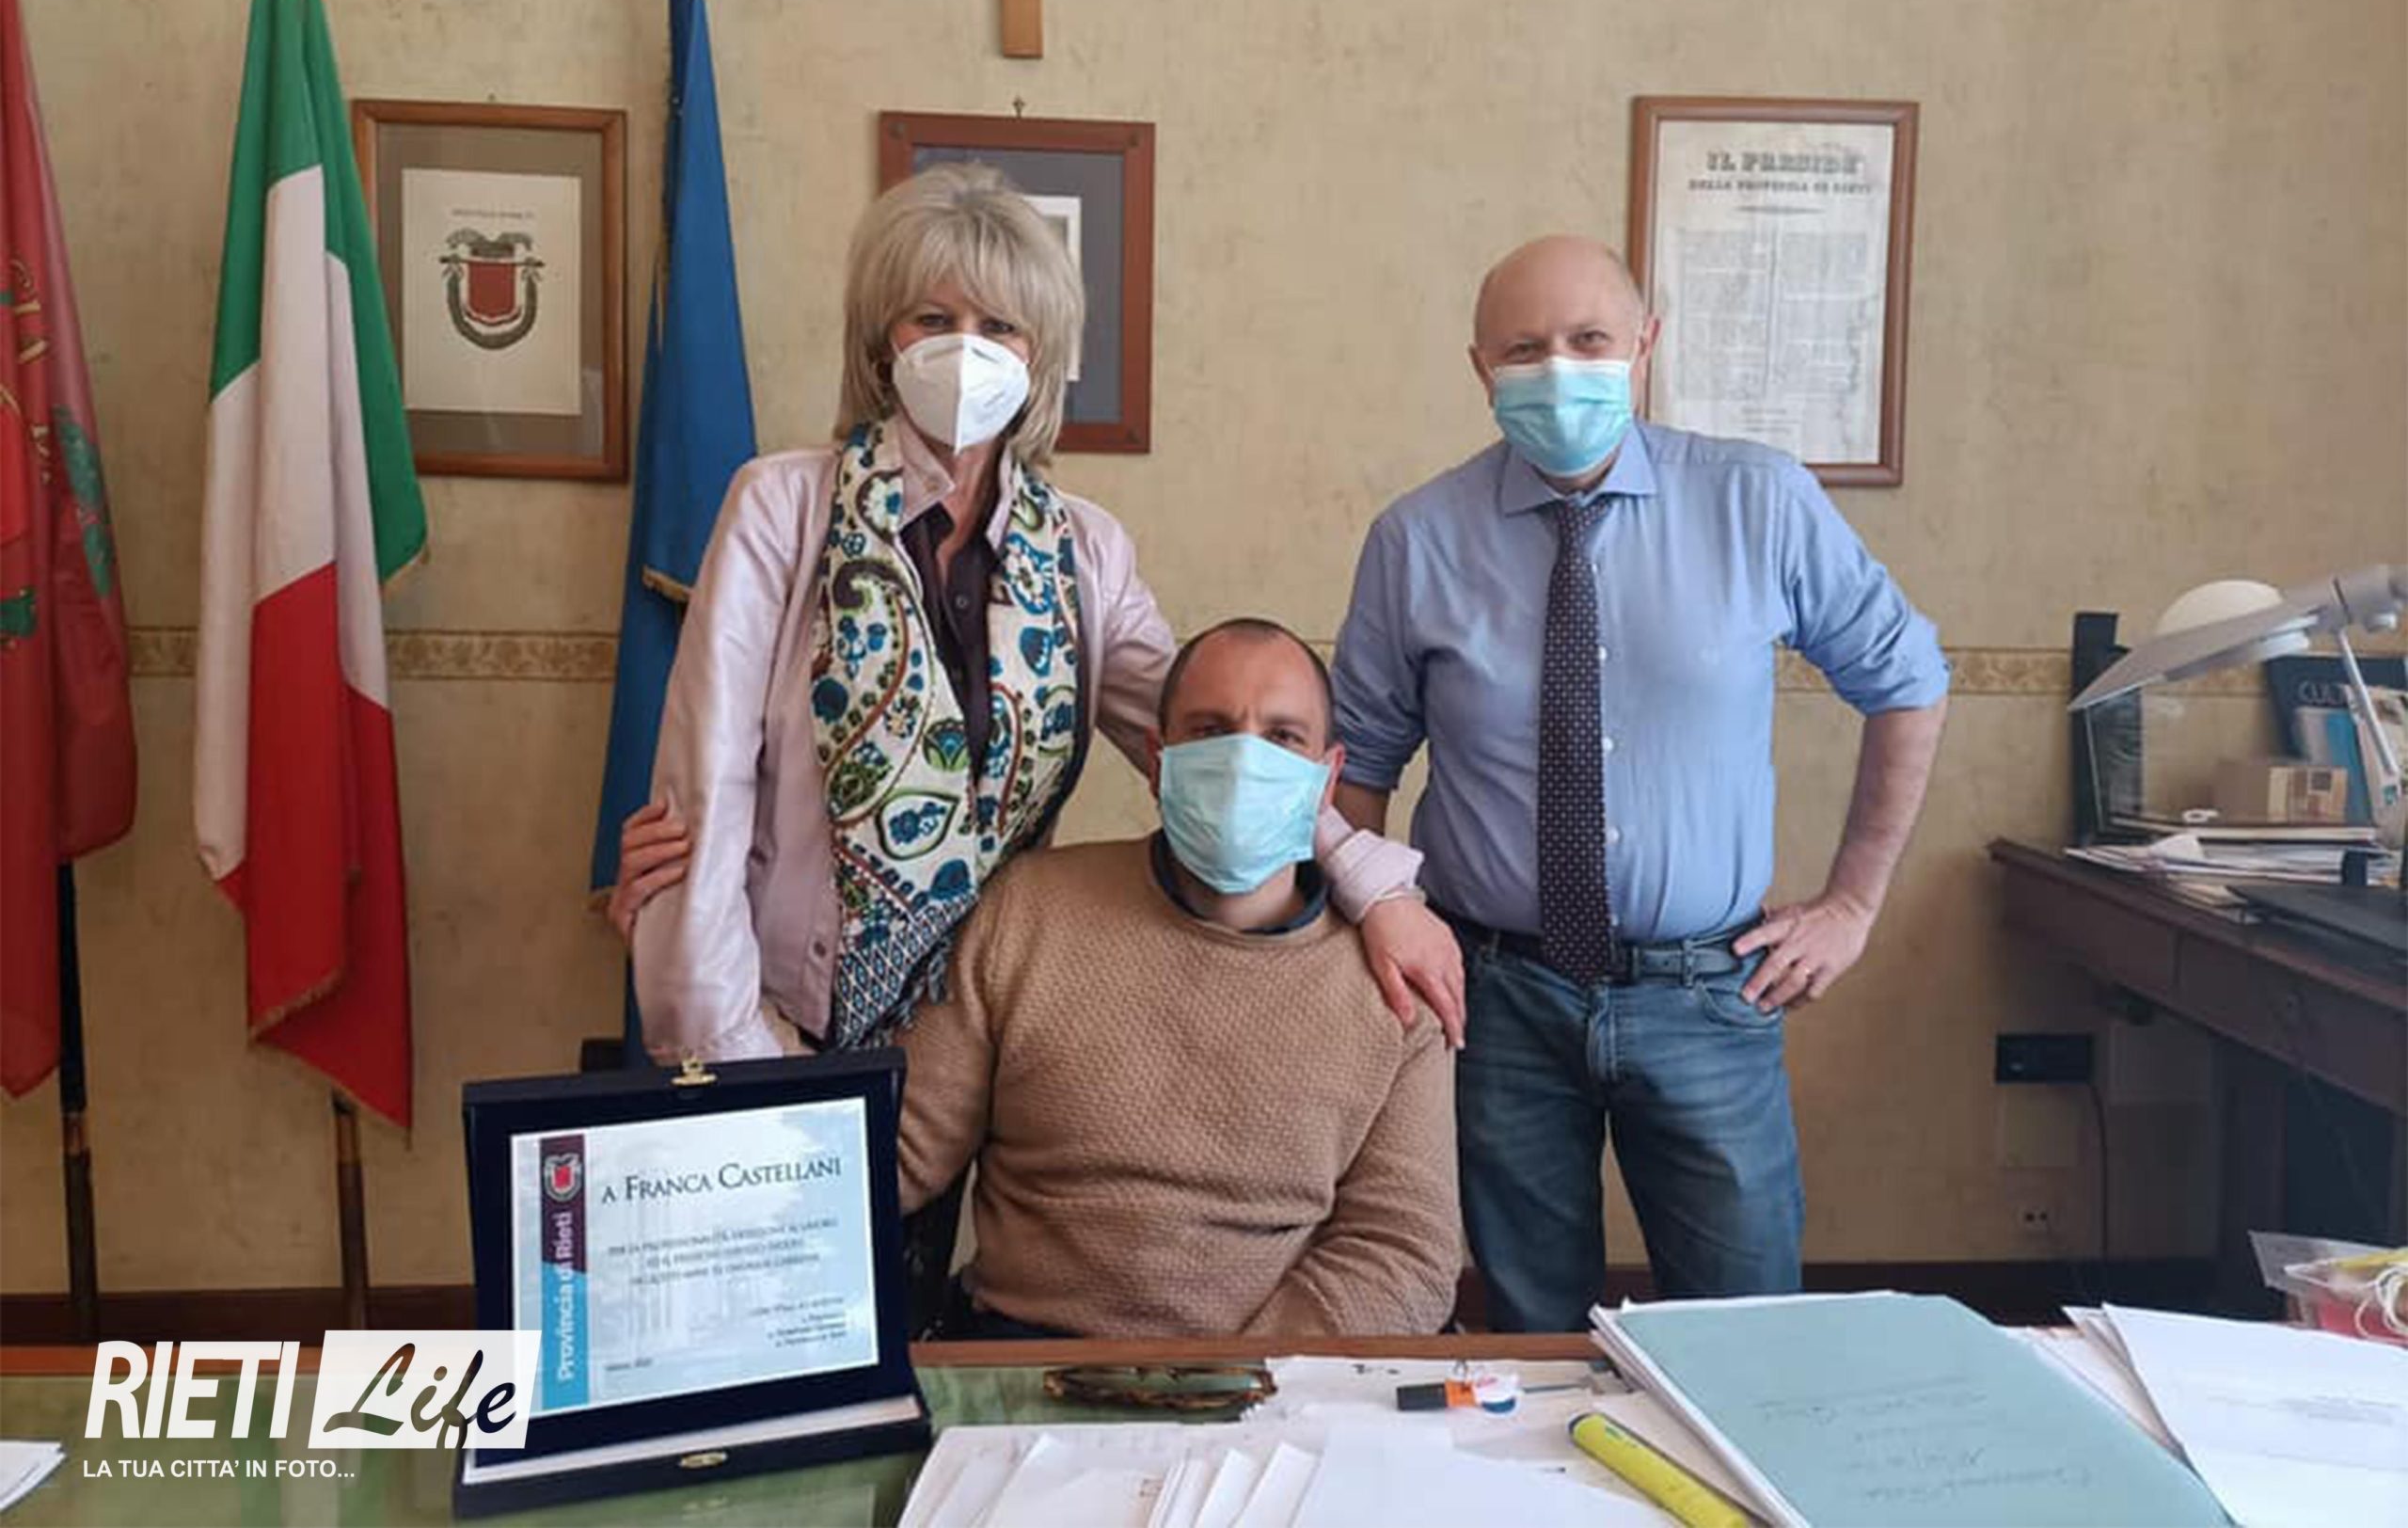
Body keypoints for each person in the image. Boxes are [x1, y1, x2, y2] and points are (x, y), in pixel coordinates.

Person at [615, 163, 1462, 1065]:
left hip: (977, 1041)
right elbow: (704, 802)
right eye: (932, 319)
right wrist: (739, 1059)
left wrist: (1375, 888)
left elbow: (1214, 750)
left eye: (998, 326)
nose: (964, 349)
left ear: (1039, 354)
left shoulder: (1083, 551)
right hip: (777, 1026)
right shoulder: (782, 507)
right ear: (881, 341)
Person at [1331, 234, 1949, 1329]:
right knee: (1529, 1332)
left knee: (1745, 1333)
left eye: (1589, 340)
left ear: (1644, 344)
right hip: (1494, 999)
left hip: (1708, 991)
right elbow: (1358, 766)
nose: (1558, 370)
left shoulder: (1757, 501)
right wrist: (1366, 933)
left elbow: (1907, 680)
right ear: (1479, 368)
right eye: (1524, 348)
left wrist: (1853, 903)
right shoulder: (1415, 539)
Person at [896, 618, 1460, 1338]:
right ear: (1158, 760)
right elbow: (902, 1153)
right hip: (1027, 1357)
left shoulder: (1397, 978)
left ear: (1327, 778)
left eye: (1282, 736)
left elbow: (1405, 1252)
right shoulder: (1028, 909)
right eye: (1210, 730)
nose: (1243, 761)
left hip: (1272, 1380)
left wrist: (1234, 1380)